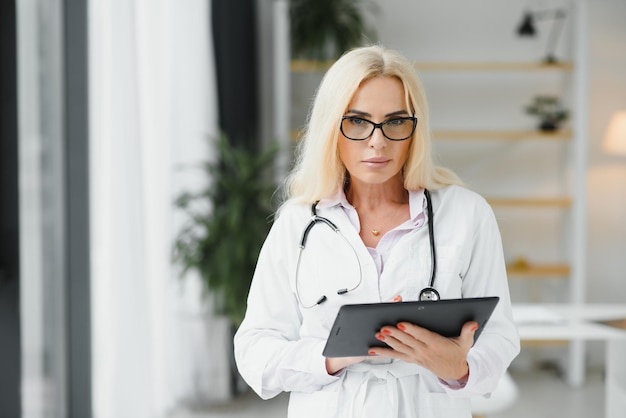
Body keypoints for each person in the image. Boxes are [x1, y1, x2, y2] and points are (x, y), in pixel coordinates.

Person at [234, 45, 520, 418]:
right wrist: (333, 355)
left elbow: (500, 336)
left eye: (396, 121)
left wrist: (462, 369)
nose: (377, 141)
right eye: (357, 121)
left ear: (415, 128)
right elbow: (255, 351)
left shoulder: (467, 215)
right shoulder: (298, 223)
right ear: (331, 127)